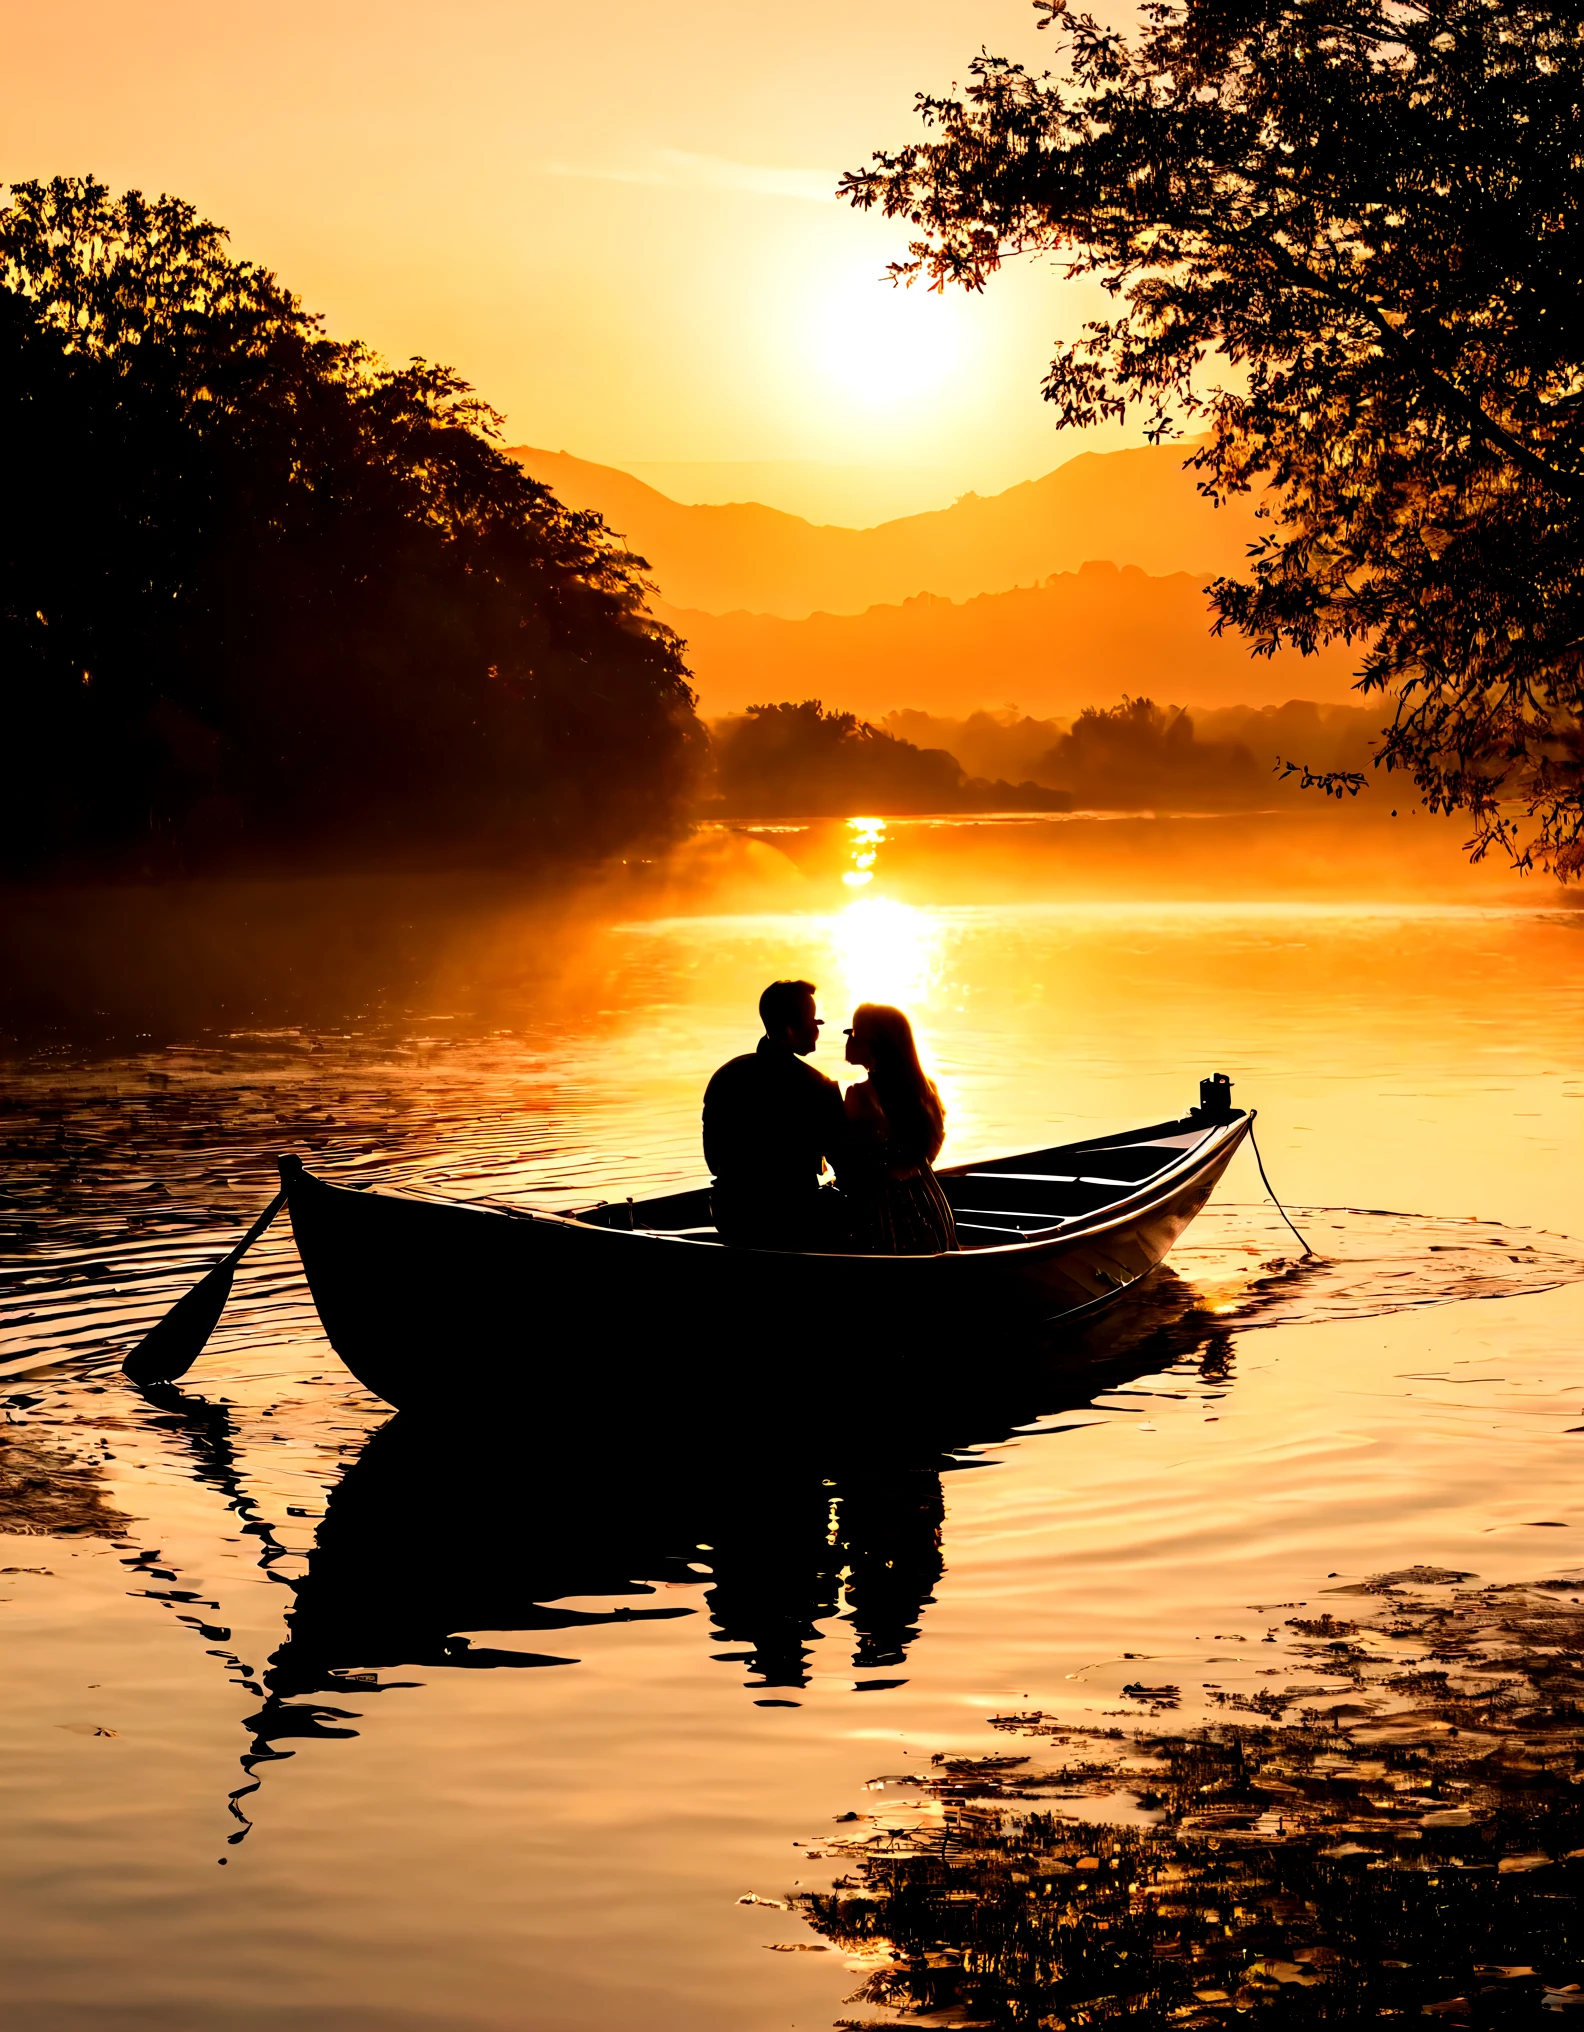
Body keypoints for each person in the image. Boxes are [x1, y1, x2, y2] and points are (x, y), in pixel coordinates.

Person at [703, 979, 848, 1249]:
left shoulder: (725, 1076)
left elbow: (713, 1161)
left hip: (730, 1215)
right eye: (814, 1022)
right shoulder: (818, 1087)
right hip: (794, 1218)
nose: (817, 1030)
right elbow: (846, 1164)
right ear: (789, 1029)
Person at [840, 1003, 959, 1255]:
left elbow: (848, 1159)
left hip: (881, 1209)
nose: (848, 1038)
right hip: (927, 1199)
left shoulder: (859, 1095)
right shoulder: (926, 1089)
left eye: (853, 1032)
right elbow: (931, 1148)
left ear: (872, 1043)